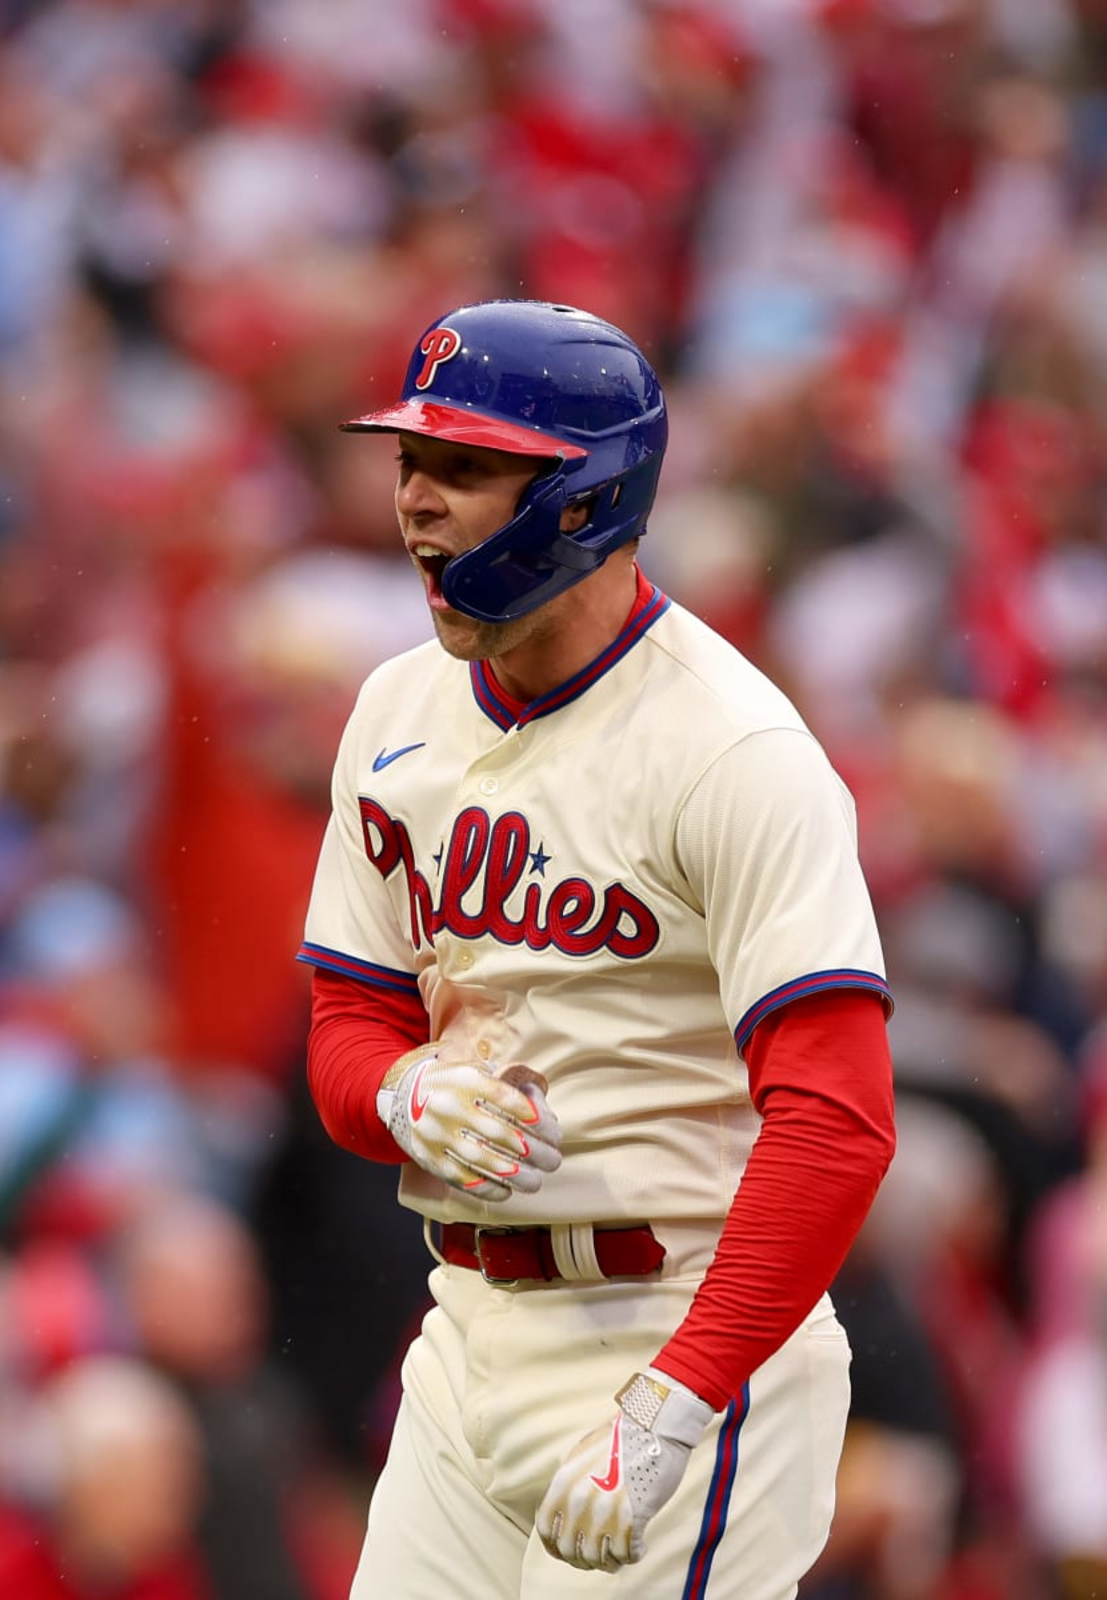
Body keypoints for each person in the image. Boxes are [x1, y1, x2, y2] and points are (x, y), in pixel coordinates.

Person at [297, 299, 897, 1597]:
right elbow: (347, 1027)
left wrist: (681, 1393)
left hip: (678, 1330)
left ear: (585, 498)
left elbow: (837, 1120)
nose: (416, 501)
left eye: (464, 468)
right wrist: (400, 1092)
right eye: (410, 461)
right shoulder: (395, 712)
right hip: (466, 1333)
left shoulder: (732, 750)